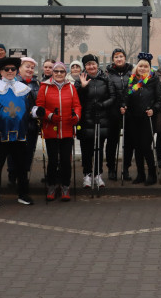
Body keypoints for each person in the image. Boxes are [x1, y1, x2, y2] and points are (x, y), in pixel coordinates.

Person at [0, 57, 38, 207]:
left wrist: (39, 111)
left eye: (13, 69)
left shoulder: (24, 89)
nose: (10, 72)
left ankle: (23, 195)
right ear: (1, 72)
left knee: (22, 167)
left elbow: (32, 109)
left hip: (19, 134)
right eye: (7, 69)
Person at [35, 61, 82, 200]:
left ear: (65, 73)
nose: (59, 74)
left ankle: (65, 187)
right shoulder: (44, 87)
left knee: (66, 161)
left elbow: (77, 105)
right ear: (52, 73)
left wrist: (76, 116)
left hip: (67, 129)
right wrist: (49, 116)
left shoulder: (71, 87)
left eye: (62, 71)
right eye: (56, 72)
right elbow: (39, 106)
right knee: (53, 160)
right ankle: (51, 186)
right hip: (51, 129)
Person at [121, 53, 161, 184]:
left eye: (145, 66)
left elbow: (160, 100)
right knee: (137, 147)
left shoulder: (154, 80)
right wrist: (123, 105)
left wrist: (153, 109)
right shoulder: (131, 80)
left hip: (147, 118)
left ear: (149, 68)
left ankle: (152, 174)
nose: (143, 69)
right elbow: (126, 96)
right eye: (140, 66)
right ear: (136, 67)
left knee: (145, 146)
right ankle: (140, 174)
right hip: (133, 118)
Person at [76, 54, 114, 189]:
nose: (91, 66)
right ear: (84, 66)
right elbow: (76, 99)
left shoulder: (105, 78)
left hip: (101, 118)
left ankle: (98, 174)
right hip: (86, 119)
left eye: (93, 63)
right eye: (88, 64)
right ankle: (87, 174)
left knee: (99, 148)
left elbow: (112, 97)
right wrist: (83, 87)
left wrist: (102, 105)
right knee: (86, 149)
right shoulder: (80, 79)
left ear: (97, 64)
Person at [9, 57, 41, 188]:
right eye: (27, 66)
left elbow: (39, 102)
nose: (30, 69)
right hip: (16, 124)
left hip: (31, 125)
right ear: (19, 68)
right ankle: (12, 175)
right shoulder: (13, 83)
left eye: (32, 67)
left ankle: (24, 175)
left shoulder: (36, 84)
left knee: (29, 151)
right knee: (14, 152)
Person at [105, 48, 134, 180]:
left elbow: (136, 87)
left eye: (121, 56)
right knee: (112, 141)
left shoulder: (132, 72)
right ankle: (111, 168)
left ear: (125, 58)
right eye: (116, 57)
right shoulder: (108, 74)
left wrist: (127, 105)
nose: (119, 59)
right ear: (113, 60)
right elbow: (108, 93)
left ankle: (126, 168)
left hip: (129, 111)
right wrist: (118, 107)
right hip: (113, 112)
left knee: (128, 142)